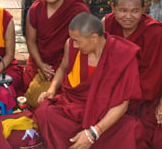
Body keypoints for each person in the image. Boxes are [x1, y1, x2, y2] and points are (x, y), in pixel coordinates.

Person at [35, 12, 146, 148]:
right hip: (74, 109)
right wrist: (51, 90)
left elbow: (122, 103)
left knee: (130, 128)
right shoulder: (70, 45)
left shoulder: (123, 54)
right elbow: (62, 68)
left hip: (104, 115)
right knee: (46, 112)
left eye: (78, 41)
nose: (74, 45)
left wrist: (94, 132)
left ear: (94, 38)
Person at [103, 0, 162, 147]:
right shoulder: (107, 23)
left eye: (135, 11)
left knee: (150, 135)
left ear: (144, 9)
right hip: (114, 93)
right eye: (122, 10)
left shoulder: (156, 32)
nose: (128, 16)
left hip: (146, 98)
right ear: (113, 8)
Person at [23, 0, 90, 89]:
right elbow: (30, 40)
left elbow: (84, 44)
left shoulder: (77, 9)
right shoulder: (35, 9)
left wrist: (62, 67)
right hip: (39, 60)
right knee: (28, 84)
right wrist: (41, 64)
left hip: (65, 61)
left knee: (56, 89)